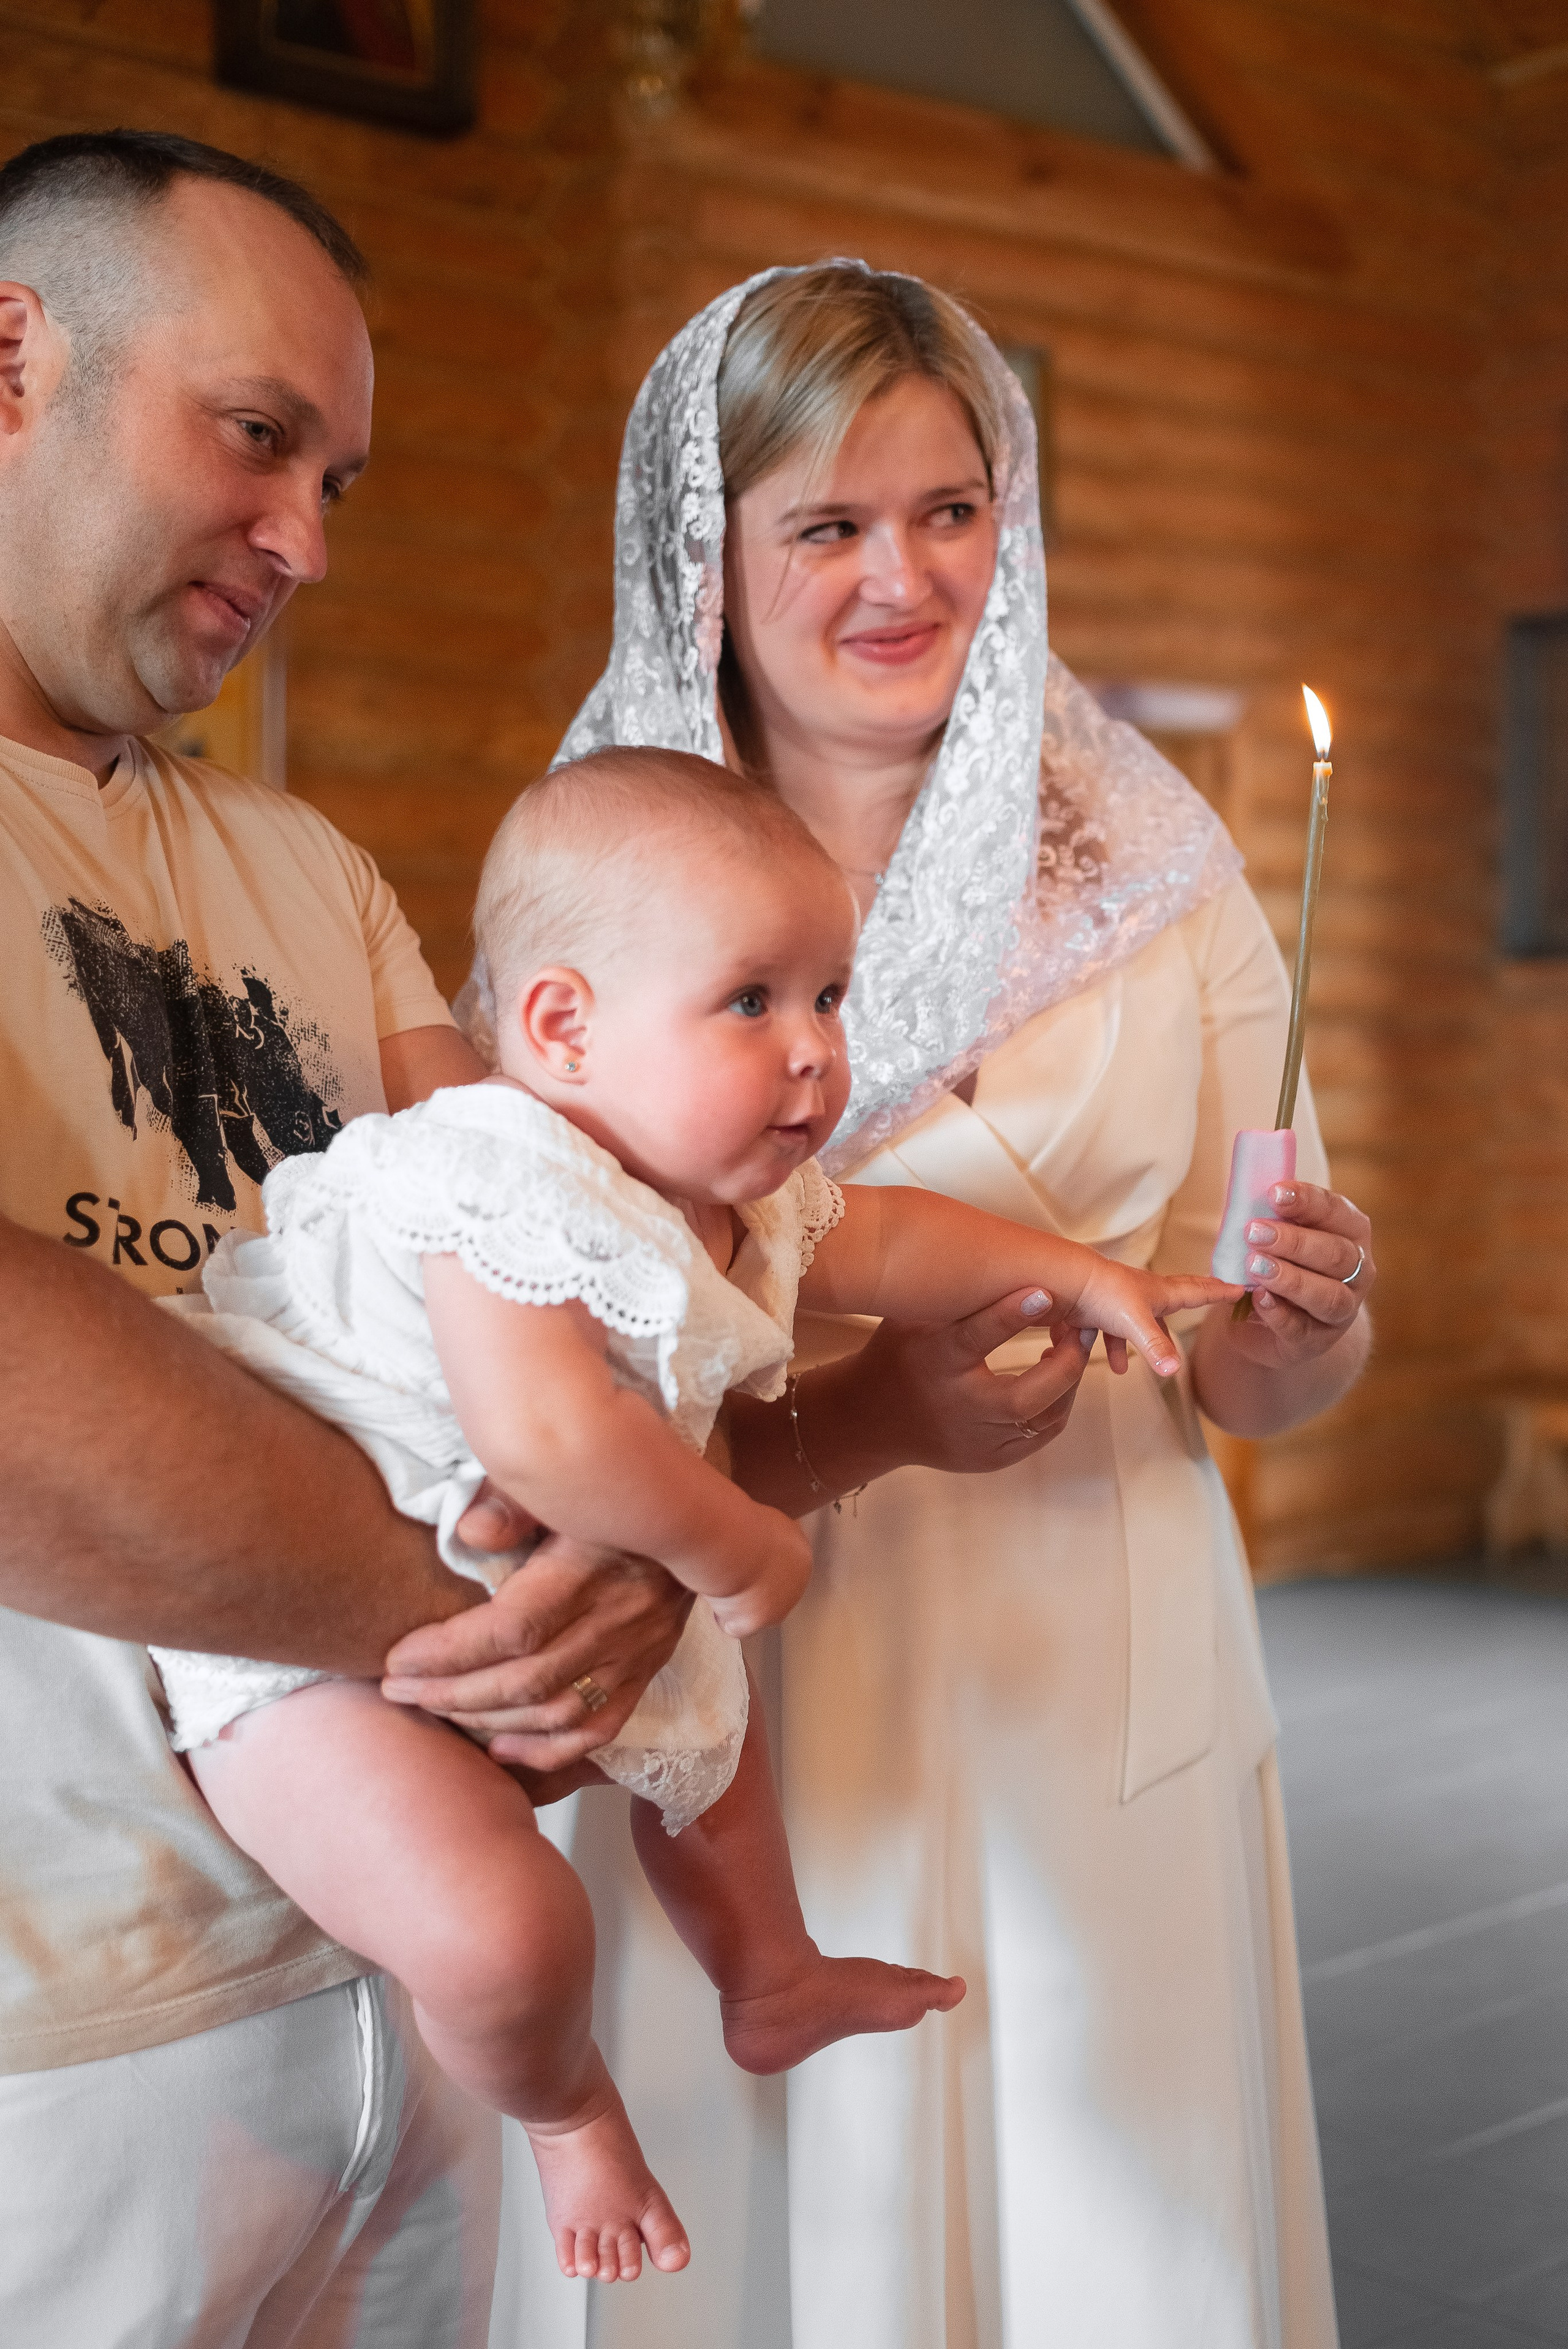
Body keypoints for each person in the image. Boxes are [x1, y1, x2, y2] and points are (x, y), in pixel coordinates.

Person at [0, 142, 1090, 2346]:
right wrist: (565, 1605)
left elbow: (559, 1324)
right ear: (13, 356)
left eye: (343, 477)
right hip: (59, 2027)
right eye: (254, 433)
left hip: (412, 1981)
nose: (304, 541)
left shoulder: (316, 870)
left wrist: (848, 1419)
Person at [472, 262, 1376, 2348]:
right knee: (778, 2229)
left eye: (952, 509)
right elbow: (519, 1374)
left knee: (1112, 2216)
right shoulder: (598, 885)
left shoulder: (1163, 863)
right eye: (830, 524)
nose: (906, 574)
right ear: (708, 558)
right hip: (753, 1677)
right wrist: (865, 1416)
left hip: (1100, 1651)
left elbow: (1258, 1353)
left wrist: (1308, 1327)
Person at [152, 744, 1237, 2288]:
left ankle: (769, 1971)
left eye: (829, 997)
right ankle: (567, 2110)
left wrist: (1072, 1273)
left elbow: (890, 1237)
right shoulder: (499, 1172)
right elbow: (546, 1435)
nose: (812, 1053)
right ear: (561, 1028)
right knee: (507, 1935)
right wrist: (740, 1541)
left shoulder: (717, 1187)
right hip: (308, 1658)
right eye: (750, 1001)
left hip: (502, 1588)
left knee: (714, 1749)